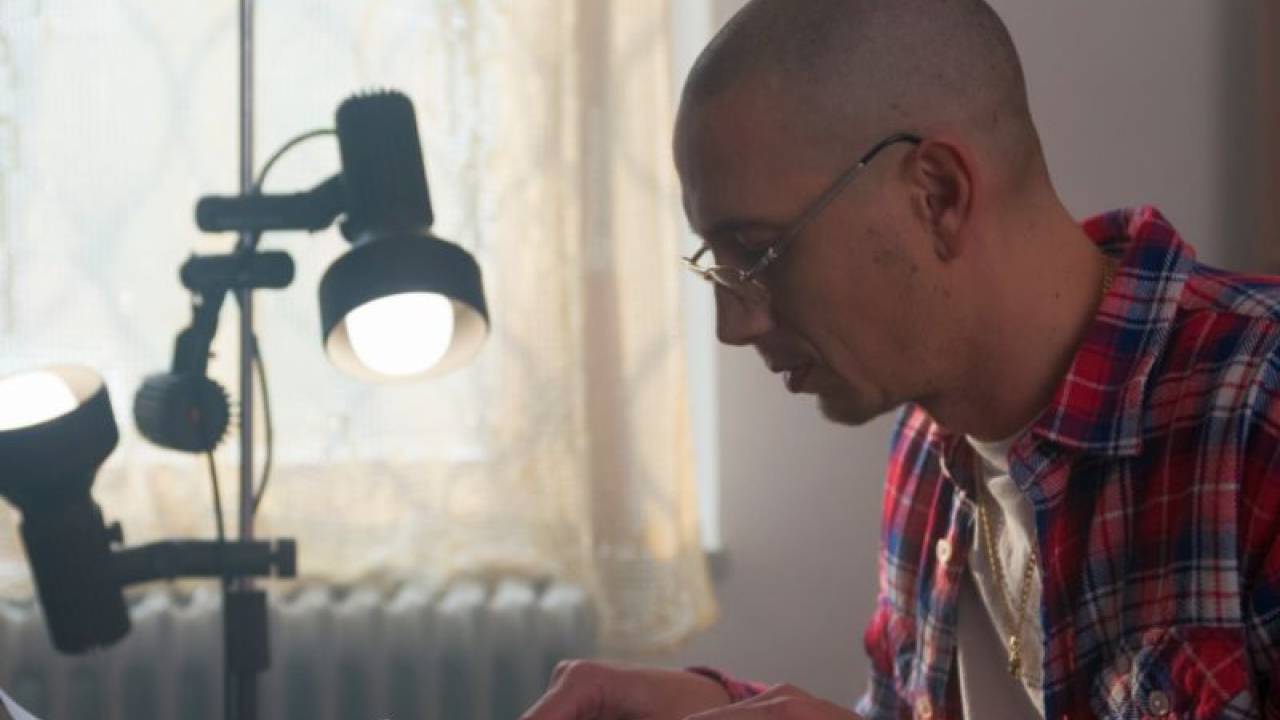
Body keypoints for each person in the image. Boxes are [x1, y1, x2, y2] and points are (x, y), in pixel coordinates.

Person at [522, 0, 1280, 717]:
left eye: (756, 251)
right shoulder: (928, 451)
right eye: (718, 265)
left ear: (937, 196)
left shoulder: (1259, 411)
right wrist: (724, 705)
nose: (733, 323)